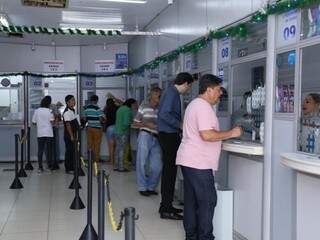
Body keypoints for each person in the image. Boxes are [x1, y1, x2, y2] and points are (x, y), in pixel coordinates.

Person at [176, 74, 242, 240]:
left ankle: (191, 236)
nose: (220, 93)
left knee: (192, 202)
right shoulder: (203, 107)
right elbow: (207, 135)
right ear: (209, 89)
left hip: (189, 160)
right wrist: (232, 133)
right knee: (207, 201)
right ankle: (205, 237)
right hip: (199, 163)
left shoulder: (194, 104)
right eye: (218, 90)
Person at [157, 72, 193, 220]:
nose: (188, 90)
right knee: (169, 173)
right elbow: (164, 114)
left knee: (169, 172)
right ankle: (166, 208)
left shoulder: (170, 92)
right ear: (185, 83)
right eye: (189, 87)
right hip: (169, 135)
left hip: (167, 135)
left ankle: (166, 205)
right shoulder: (172, 93)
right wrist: (180, 125)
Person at [132, 87, 162, 197]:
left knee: (157, 166)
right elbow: (135, 123)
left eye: (160, 95)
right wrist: (146, 124)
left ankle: (151, 187)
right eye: (157, 95)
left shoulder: (161, 108)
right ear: (152, 96)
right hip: (145, 135)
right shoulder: (144, 106)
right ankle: (142, 187)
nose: (159, 97)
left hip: (157, 138)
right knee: (142, 162)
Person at [32, 96, 54, 173]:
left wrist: (40, 123)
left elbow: (33, 122)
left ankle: (40, 167)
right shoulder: (50, 111)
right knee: (49, 150)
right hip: (49, 133)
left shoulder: (37, 111)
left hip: (40, 133)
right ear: (49, 103)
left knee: (40, 150)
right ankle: (49, 167)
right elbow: (52, 121)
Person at [114, 98, 138, 172]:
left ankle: (117, 166)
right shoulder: (128, 110)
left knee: (118, 149)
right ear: (131, 104)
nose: (135, 106)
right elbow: (126, 123)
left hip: (117, 131)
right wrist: (134, 123)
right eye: (135, 104)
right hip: (123, 133)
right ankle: (121, 168)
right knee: (122, 150)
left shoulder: (120, 109)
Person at [83, 95, 105, 162]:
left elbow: (84, 118)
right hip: (97, 128)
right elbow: (101, 119)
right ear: (96, 100)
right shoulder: (97, 108)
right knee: (97, 144)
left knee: (90, 144)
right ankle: (96, 159)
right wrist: (103, 120)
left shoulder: (86, 108)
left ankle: (90, 159)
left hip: (89, 128)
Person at [63, 95, 80, 174]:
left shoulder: (72, 110)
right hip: (69, 135)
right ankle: (68, 168)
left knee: (73, 151)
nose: (74, 102)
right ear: (67, 102)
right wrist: (71, 136)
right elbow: (68, 124)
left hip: (74, 134)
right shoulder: (66, 112)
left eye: (74, 100)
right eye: (72, 100)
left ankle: (73, 167)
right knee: (69, 151)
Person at [103, 98, 119, 164]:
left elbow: (104, 117)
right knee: (115, 145)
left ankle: (111, 161)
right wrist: (116, 101)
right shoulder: (117, 108)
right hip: (116, 127)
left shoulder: (107, 109)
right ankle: (114, 160)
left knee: (110, 146)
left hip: (109, 128)